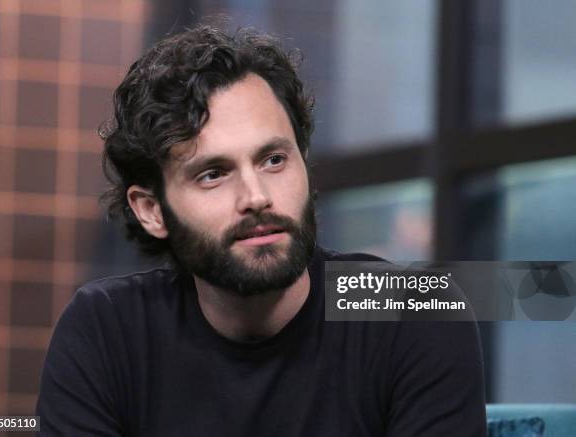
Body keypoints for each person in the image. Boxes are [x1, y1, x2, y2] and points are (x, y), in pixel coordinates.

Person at [36, 24, 487, 436]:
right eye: (213, 173)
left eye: (274, 160)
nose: (256, 196)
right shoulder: (108, 328)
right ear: (151, 210)